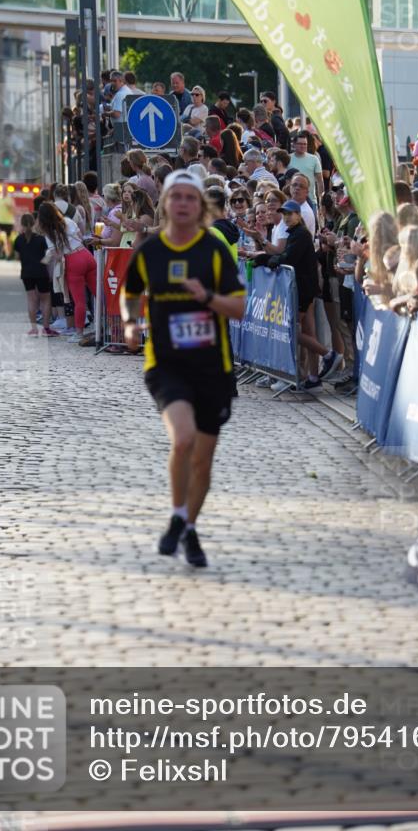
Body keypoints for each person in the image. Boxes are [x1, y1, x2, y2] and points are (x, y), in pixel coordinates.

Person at [120, 171, 246, 567]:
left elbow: (239, 308)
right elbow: (131, 293)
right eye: (176, 197)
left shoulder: (214, 249)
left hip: (213, 366)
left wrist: (206, 296)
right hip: (166, 364)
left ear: (200, 206)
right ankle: (178, 516)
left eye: (191, 198)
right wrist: (129, 323)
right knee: (183, 439)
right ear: (165, 203)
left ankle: (188, 527)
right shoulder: (150, 250)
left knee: (203, 460)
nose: (183, 204)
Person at [256, 200, 343, 391]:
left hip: (303, 289)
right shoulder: (295, 233)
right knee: (308, 332)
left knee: (290, 330)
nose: (286, 217)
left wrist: (264, 259)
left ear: (298, 215)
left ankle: (328, 355)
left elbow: (288, 258)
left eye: (290, 214)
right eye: (284, 214)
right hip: (303, 288)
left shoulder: (300, 234)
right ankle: (313, 377)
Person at [38, 202, 96, 343]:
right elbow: (80, 236)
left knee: (79, 301)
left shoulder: (49, 233)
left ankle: (79, 333)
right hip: (86, 255)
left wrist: (48, 258)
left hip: (73, 261)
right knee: (99, 294)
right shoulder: (68, 221)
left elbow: (57, 255)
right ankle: (109, 328)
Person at [13, 213, 59, 337]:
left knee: (31, 300)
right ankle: (46, 328)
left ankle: (33, 329)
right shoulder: (40, 239)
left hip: (26, 273)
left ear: (22, 224)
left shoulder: (18, 239)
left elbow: (17, 258)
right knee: (45, 299)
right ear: (34, 223)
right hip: (41, 272)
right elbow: (47, 255)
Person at [290, 132, 324, 204]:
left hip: (311, 201)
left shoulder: (314, 159)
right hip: (292, 200)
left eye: (305, 144)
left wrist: (321, 201)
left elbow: (320, 181)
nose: (302, 146)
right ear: (294, 144)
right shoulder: (288, 158)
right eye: (300, 144)